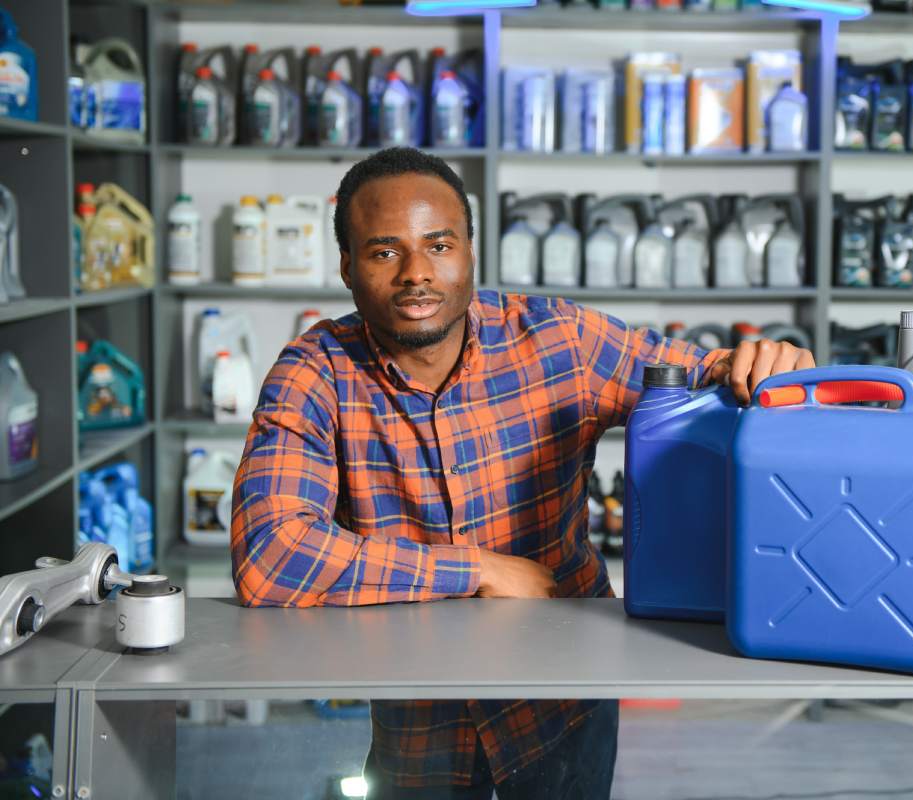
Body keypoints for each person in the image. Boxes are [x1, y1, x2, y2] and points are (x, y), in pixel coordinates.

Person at [230, 147, 815, 799]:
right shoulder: (315, 372)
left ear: (472, 252)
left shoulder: (559, 340)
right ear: (346, 266)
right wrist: (476, 568)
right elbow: (270, 556)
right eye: (384, 251)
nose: (417, 274)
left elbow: (699, 373)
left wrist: (763, 362)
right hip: (418, 718)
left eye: (440, 244)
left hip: (562, 705)